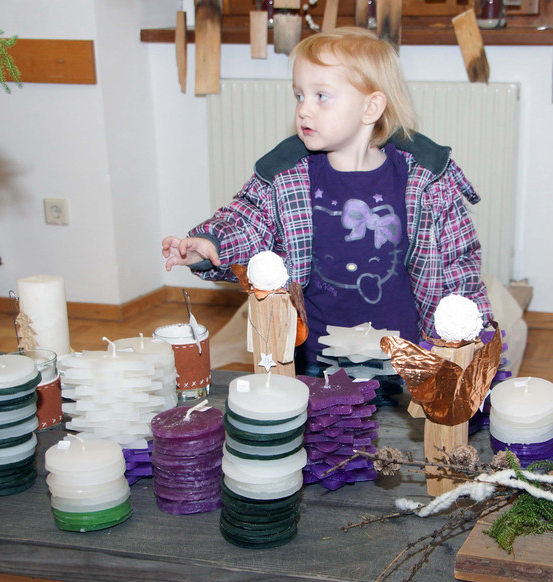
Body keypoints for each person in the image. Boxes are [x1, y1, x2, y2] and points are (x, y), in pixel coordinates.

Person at [162, 26, 491, 371]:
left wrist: (472, 336)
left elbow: (458, 264)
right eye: (299, 95)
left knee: (396, 410)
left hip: (402, 356)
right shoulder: (287, 178)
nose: (304, 109)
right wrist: (212, 244)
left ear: (370, 107)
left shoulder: (425, 183)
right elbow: (248, 221)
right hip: (315, 355)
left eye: (321, 96)